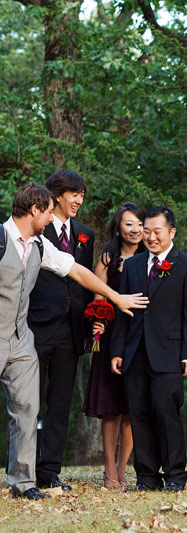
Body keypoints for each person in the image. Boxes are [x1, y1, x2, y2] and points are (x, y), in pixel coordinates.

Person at [1, 183, 147, 500]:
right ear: (35, 210)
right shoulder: (1, 239)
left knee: (27, 409)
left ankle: (24, 483)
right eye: (48, 213)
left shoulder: (40, 245)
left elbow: (77, 271)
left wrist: (115, 297)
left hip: (22, 339)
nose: (52, 218)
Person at [110, 206, 187, 492]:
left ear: (171, 232)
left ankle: (175, 474)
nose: (150, 237)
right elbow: (123, 312)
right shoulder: (133, 265)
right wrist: (118, 350)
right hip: (135, 352)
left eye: (157, 231)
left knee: (166, 413)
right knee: (138, 414)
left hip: (170, 354)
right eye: (146, 231)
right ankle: (147, 476)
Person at [28, 170, 94, 491]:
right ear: (57, 195)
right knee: (30, 402)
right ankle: (25, 470)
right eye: (74, 193)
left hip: (71, 332)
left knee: (60, 404)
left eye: (82, 194)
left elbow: (84, 282)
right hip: (37, 328)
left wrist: (90, 324)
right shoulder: (36, 228)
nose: (79, 200)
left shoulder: (85, 234)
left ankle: (49, 471)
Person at [82, 202, 146, 489]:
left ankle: (122, 468)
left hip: (138, 338)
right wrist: (98, 322)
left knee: (131, 408)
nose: (135, 230)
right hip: (109, 338)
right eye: (129, 224)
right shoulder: (108, 258)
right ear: (119, 227)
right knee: (111, 407)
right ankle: (109, 468)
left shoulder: (150, 258)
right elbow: (97, 297)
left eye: (140, 224)